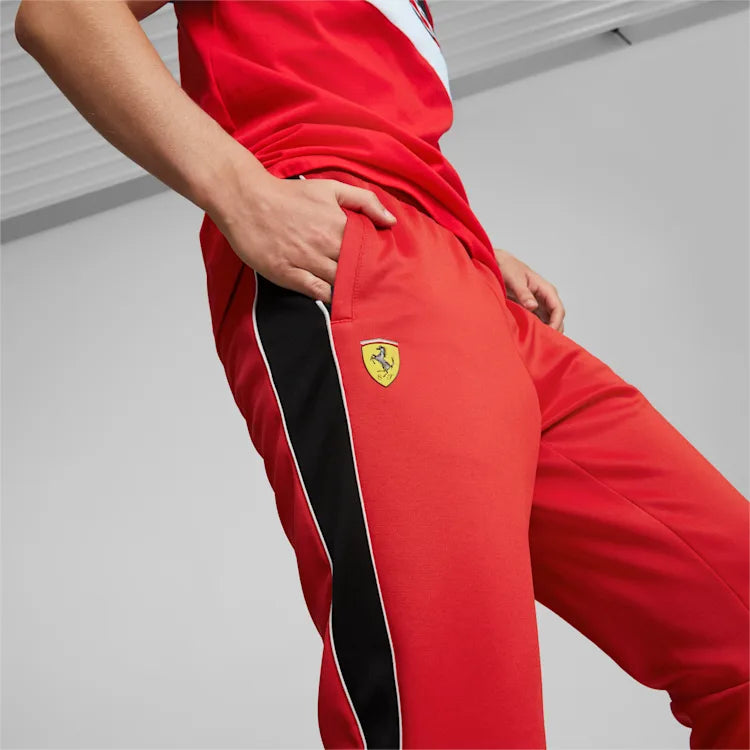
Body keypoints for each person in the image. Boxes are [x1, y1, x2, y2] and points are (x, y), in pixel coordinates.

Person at [15, 1, 748, 747]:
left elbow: (361, 108)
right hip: (358, 267)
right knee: (451, 710)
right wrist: (240, 189)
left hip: (458, 273)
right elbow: (66, 12)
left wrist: (462, 238)